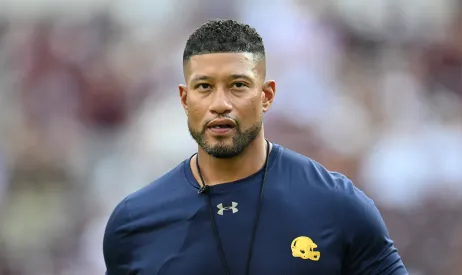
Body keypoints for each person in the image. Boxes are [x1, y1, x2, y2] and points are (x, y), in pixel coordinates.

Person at [103, 19, 408, 275]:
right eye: (204, 87)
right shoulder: (134, 223)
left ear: (267, 95)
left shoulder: (337, 205)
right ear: (185, 99)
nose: (220, 104)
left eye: (238, 85)